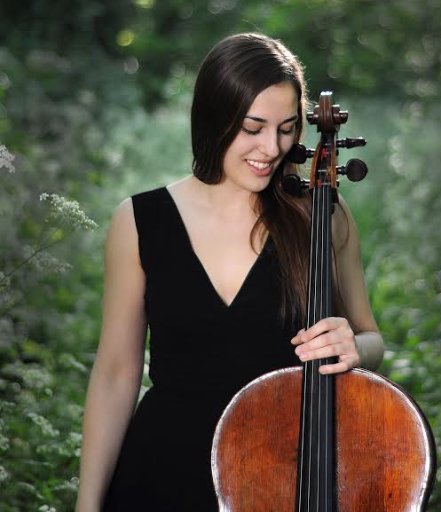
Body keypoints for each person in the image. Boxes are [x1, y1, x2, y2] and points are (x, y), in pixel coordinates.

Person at [75, 32, 384, 511]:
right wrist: (87, 505)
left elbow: (371, 339)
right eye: (252, 127)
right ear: (215, 118)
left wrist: (355, 347)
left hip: (282, 475)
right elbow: (116, 374)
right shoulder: (139, 221)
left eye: (286, 129)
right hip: (160, 474)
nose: (272, 148)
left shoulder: (322, 215)